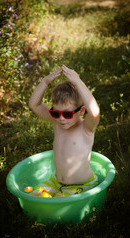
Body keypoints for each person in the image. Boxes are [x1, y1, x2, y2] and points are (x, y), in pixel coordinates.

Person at [29, 65, 100, 197]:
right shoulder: (57, 122)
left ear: (81, 111)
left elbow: (95, 112)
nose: (61, 118)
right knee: (34, 195)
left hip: (82, 184)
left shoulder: (86, 128)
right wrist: (44, 82)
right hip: (56, 181)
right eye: (56, 113)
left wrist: (78, 82)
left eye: (67, 114)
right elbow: (34, 104)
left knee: (59, 201)